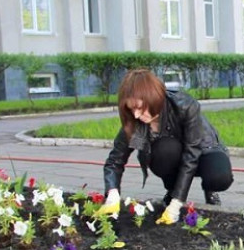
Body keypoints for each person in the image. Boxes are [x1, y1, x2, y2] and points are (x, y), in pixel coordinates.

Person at [98, 69, 233, 224]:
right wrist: (113, 193)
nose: (135, 115)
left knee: (219, 177)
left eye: (139, 107)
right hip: (172, 152)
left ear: (153, 98)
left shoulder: (184, 106)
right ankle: (173, 189)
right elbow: (115, 160)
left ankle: (209, 190)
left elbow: (191, 154)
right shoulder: (136, 124)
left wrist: (177, 203)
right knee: (164, 150)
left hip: (203, 150)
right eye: (131, 109)